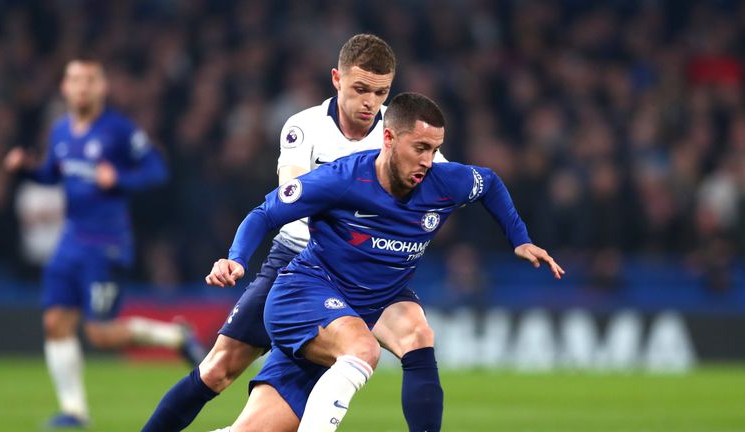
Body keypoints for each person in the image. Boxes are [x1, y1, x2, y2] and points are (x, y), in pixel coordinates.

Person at [206, 92, 564, 432]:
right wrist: (236, 259)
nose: (428, 160)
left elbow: (489, 183)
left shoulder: (445, 181)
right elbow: (264, 214)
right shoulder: (343, 179)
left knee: (417, 333)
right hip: (304, 294)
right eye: (420, 147)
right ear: (389, 138)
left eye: (435, 149)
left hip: (372, 300)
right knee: (364, 348)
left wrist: (520, 239)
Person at [143, 34, 448, 432]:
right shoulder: (304, 127)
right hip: (299, 263)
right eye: (360, 89)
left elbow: (441, 184)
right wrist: (237, 257)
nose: (370, 103)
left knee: (417, 334)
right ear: (337, 79)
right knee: (217, 370)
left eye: (381, 92)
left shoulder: (400, 133)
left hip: (368, 269)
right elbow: (290, 199)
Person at [3, 58, 206, 429]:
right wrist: (28, 169)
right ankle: (74, 412)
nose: (82, 87)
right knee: (55, 322)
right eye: (75, 80)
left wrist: (121, 177)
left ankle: (176, 336)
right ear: (64, 87)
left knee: (99, 332)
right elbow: (54, 172)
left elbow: (157, 169)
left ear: (102, 88)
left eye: (90, 80)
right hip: (70, 240)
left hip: (106, 243)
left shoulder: (118, 130)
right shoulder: (61, 131)